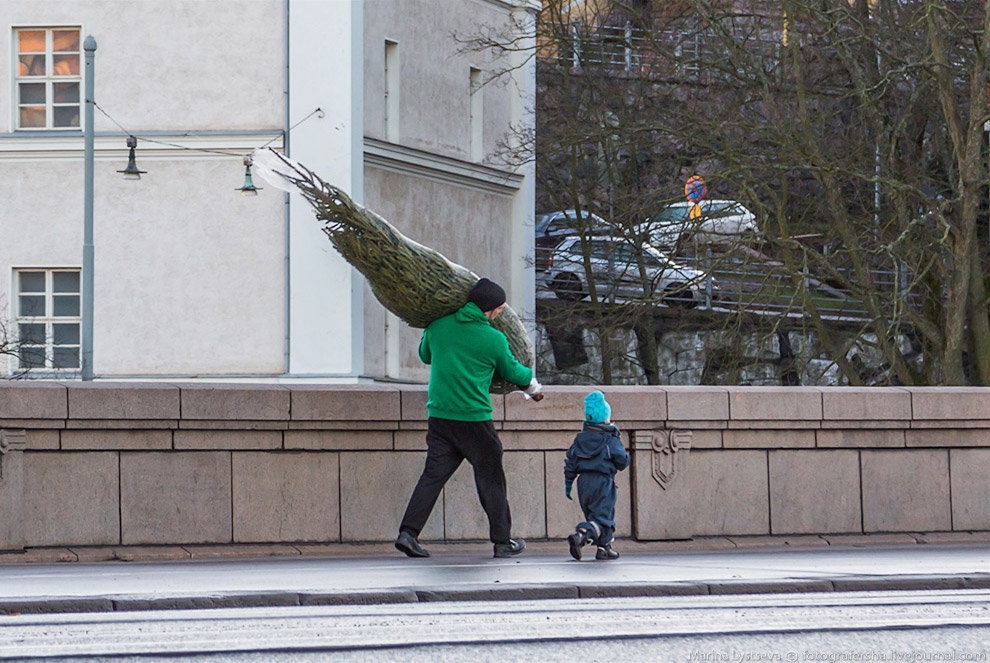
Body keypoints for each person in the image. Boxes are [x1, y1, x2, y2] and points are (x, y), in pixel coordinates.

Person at [395, 278, 543, 559]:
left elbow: (425, 355)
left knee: (432, 477)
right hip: (474, 420)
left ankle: (408, 533)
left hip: (440, 417)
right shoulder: (493, 339)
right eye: (499, 308)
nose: (500, 312)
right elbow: (514, 372)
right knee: (491, 479)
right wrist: (533, 386)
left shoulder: (439, 326)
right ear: (489, 309)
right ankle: (503, 541)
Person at [564, 390, 630, 561]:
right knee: (603, 517)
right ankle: (582, 534)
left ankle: (604, 548)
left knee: (595, 516)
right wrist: (626, 457)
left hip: (583, 483)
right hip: (602, 482)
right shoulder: (610, 439)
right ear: (605, 418)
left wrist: (568, 484)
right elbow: (622, 461)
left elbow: (570, 462)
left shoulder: (580, 439)